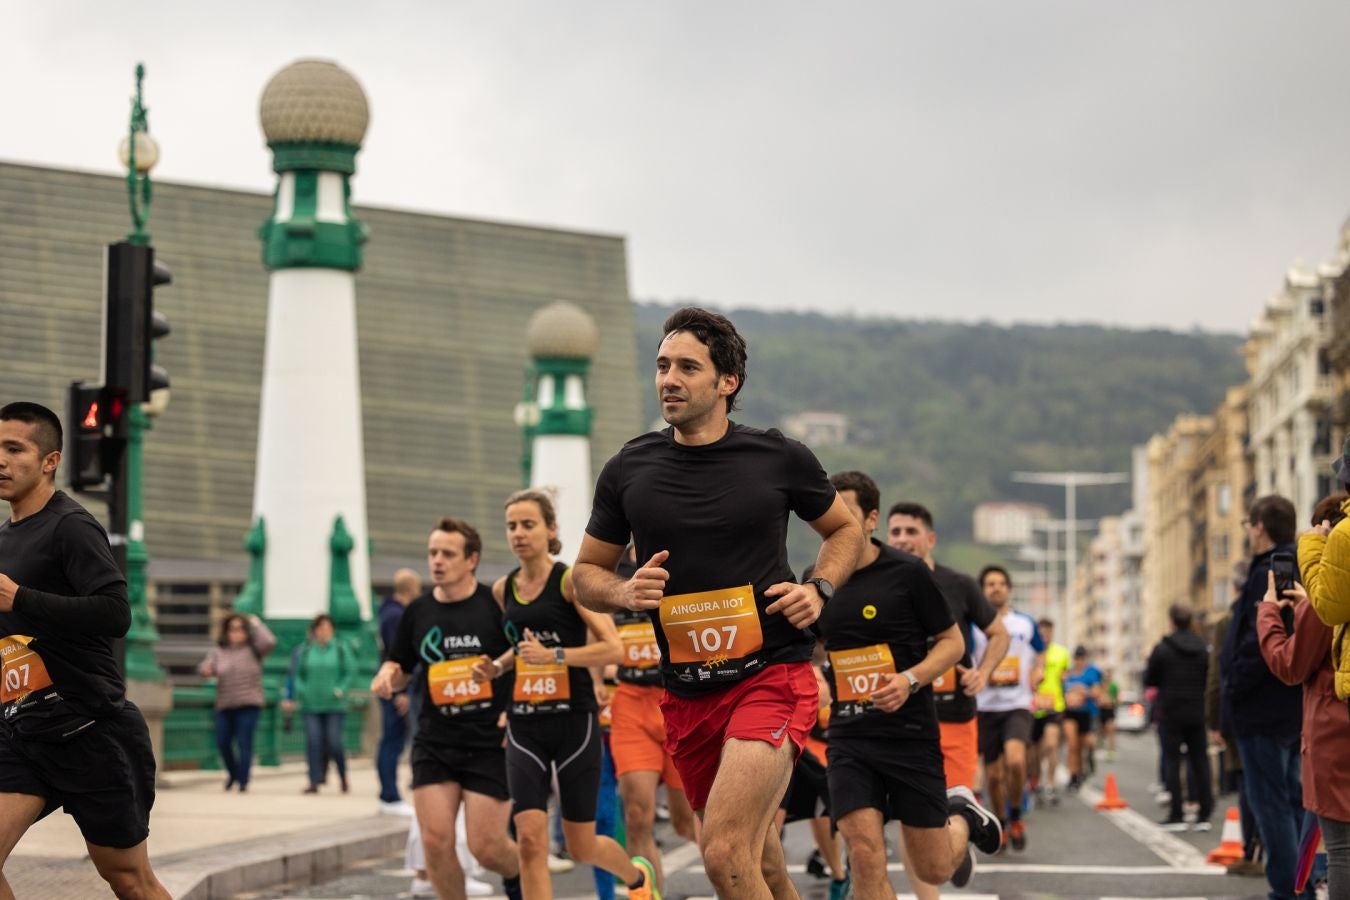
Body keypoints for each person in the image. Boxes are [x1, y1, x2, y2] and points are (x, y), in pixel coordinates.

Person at [573, 307, 865, 898]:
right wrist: (624, 591)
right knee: (762, 858)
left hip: (771, 673)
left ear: (727, 382)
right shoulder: (629, 468)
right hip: (686, 691)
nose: (668, 379)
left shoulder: (778, 458)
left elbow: (845, 531)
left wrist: (819, 589)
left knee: (724, 853)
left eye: (686, 367)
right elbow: (584, 576)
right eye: (661, 366)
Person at [0, 401, 169, 898]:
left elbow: (116, 613)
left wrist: (21, 597)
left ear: (50, 460)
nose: (1, 460)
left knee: (128, 879)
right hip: (23, 731)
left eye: (15, 449)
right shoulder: (4, 538)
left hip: (89, 731)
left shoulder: (70, 526)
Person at [820, 472, 1002, 899]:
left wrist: (908, 679)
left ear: (870, 519)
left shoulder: (908, 573)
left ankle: (963, 818)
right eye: (828, 512)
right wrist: (813, 676)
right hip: (849, 736)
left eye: (845, 511)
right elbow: (812, 648)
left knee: (933, 868)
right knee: (864, 855)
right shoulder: (819, 577)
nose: (833, 521)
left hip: (908, 735)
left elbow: (953, 643)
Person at [493, 489, 655, 900]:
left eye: (528, 524)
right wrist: (497, 666)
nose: (518, 534)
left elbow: (612, 647)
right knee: (530, 840)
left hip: (573, 724)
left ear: (550, 530)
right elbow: (522, 646)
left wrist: (556, 656)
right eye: (512, 526)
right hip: (525, 723)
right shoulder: (503, 589)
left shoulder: (569, 582)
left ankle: (637, 879)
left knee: (582, 844)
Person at [370, 517, 522, 900]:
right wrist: (387, 675)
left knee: (485, 847)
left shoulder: (495, 604)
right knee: (436, 843)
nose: (437, 560)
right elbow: (401, 665)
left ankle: (521, 873)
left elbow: (524, 656)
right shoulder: (418, 612)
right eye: (433, 552)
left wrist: (515, 710)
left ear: (471, 560)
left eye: (447, 554)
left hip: (490, 741)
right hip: (436, 739)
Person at [884, 500, 1009, 899]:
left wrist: (983, 672)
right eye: (896, 532)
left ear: (930, 538)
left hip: (954, 715)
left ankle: (961, 831)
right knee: (911, 816)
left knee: (948, 805)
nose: (902, 539)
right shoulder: (881, 583)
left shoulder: (959, 584)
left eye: (911, 531)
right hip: (902, 716)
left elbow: (999, 634)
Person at [1220, 494, 1305, 900]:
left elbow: (1259, 640)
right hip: (1289, 705)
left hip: (1262, 707)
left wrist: (1233, 687)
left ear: (1258, 526)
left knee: (1272, 805)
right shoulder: (1293, 563)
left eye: (1249, 526)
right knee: (1292, 802)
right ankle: (1301, 886)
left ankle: (1289, 892)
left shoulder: (1268, 571)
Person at [608, 545, 697, 895]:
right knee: (636, 816)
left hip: (678, 700)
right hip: (630, 702)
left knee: (688, 820)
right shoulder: (610, 570)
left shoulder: (680, 557)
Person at [1263, 544, 1350, 900]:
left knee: (1341, 847)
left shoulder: (1328, 595)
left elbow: (1290, 664)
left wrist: (1268, 611)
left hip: (1334, 730)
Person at [972, 565, 1045, 853]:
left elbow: (1040, 652)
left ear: (1009, 589)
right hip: (986, 707)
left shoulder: (1025, 623)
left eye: (1001, 583)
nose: (996, 588)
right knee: (993, 775)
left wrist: (1038, 670)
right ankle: (1001, 822)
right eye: (990, 584)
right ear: (982, 590)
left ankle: (1015, 815)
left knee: (1016, 761)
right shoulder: (974, 625)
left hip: (1017, 704)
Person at [1144, 604, 1213, 832]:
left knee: (1172, 762)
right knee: (1200, 761)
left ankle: (1177, 813)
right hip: (1196, 710)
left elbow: (1149, 679)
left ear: (1171, 621)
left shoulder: (1163, 648)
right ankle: (1204, 813)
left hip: (1170, 712)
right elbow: (1208, 678)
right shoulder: (1202, 647)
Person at [198, 612, 276, 792]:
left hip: (249, 704)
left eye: (241, 628)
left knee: (244, 742)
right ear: (226, 631)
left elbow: (269, 642)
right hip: (224, 704)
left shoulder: (254, 649)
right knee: (223, 742)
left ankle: (243, 781)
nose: (237, 632)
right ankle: (233, 773)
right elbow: (204, 667)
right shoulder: (219, 652)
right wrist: (206, 670)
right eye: (233, 629)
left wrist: (255, 622)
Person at [288, 613, 356, 794]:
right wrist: (302, 691)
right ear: (314, 630)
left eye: (327, 627)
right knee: (313, 741)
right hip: (311, 705)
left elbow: (350, 672)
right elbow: (297, 675)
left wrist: (340, 689)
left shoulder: (341, 648)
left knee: (334, 741)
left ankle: (342, 775)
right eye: (320, 627)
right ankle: (313, 780)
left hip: (335, 704)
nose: (324, 631)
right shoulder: (306, 650)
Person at [376, 567, 422, 815]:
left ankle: (388, 794)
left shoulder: (388, 613)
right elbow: (398, 657)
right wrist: (401, 692)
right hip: (396, 689)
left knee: (392, 741)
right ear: (411, 589)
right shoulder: (397, 616)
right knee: (392, 741)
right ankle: (389, 795)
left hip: (394, 687)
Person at [1030, 618, 1069, 807]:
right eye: (1041, 632)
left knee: (1052, 744)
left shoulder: (1062, 653)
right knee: (1036, 752)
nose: (1044, 635)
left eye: (1048, 632)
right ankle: (1037, 783)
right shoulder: (1031, 652)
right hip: (1033, 708)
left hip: (1055, 706)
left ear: (1052, 633)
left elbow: (1065, 677)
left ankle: (1051, 784)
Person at [1062, 646, 1103, 792]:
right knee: (1073, 745)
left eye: (1082, 659)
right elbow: (1062, 691)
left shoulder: (1092, 672)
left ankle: (1083, 767)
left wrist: (1083, 691)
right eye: (1077, 659)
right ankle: (1073, 775)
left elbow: (1097, 692)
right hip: (1070, 713)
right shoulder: (1068, 674)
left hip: (1087, 713)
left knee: (1086, 744)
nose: (1079, 662)